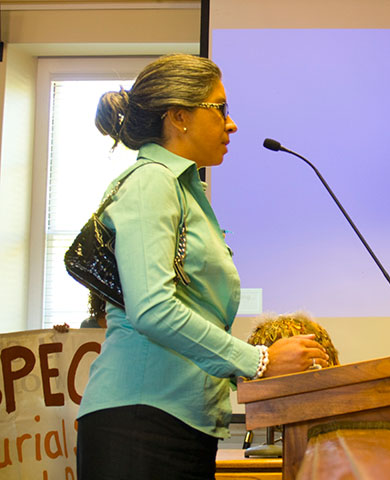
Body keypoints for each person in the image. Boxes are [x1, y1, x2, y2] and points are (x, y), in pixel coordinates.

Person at [76, 54, 330, 480]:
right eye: (221, 109)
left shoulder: (184, 191)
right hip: (140, 423)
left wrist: (265, 372)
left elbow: (192, 313)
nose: (232, 124)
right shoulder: (152, 181)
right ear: (179, 117)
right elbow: (153, 308)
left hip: (178, 424)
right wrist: (260, 360)